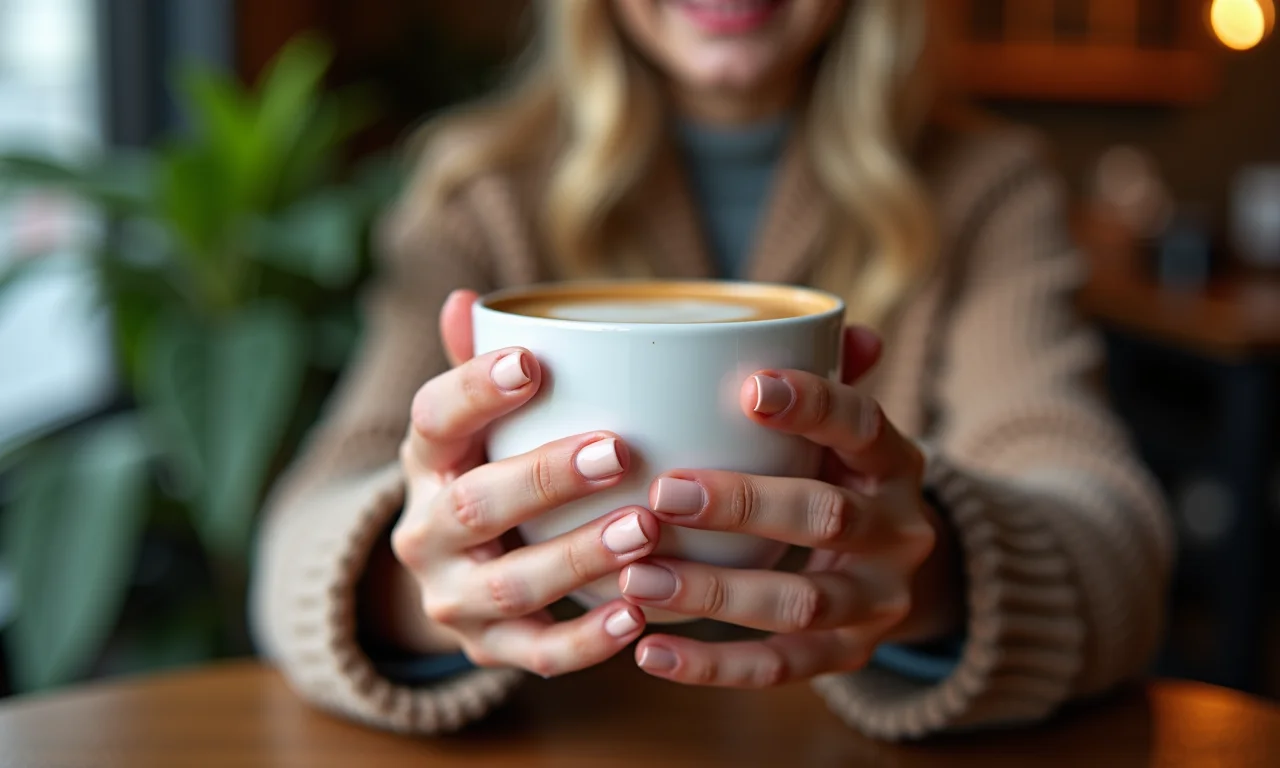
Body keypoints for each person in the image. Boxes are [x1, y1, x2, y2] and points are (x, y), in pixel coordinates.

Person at [250, 0, 1172, 741]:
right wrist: (421, 586)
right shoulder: (479, 191)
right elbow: (297, 545)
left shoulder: (985, 188)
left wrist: (927, 575)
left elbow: (1121, 552)